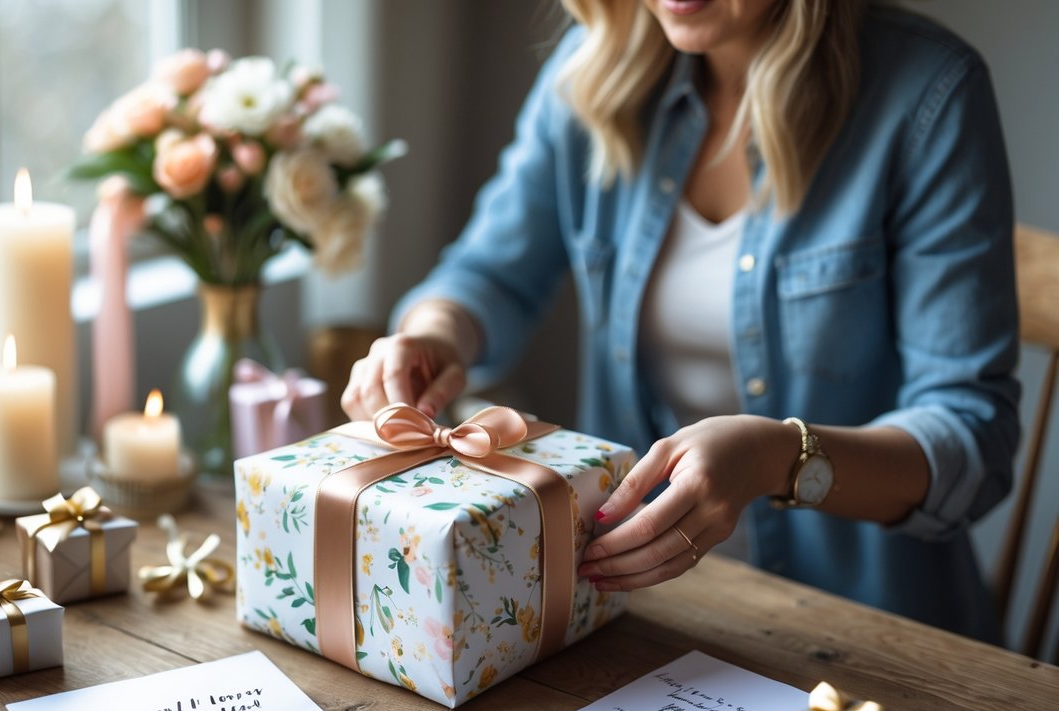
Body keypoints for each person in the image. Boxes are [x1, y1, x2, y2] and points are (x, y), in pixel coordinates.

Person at [340, 0, 1020, 642]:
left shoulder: (927, 94)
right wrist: (434, 333)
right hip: (639, 613)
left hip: (867, 630)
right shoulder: (592, 69)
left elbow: (969, 438)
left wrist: (774, 459)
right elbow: (486, 273)